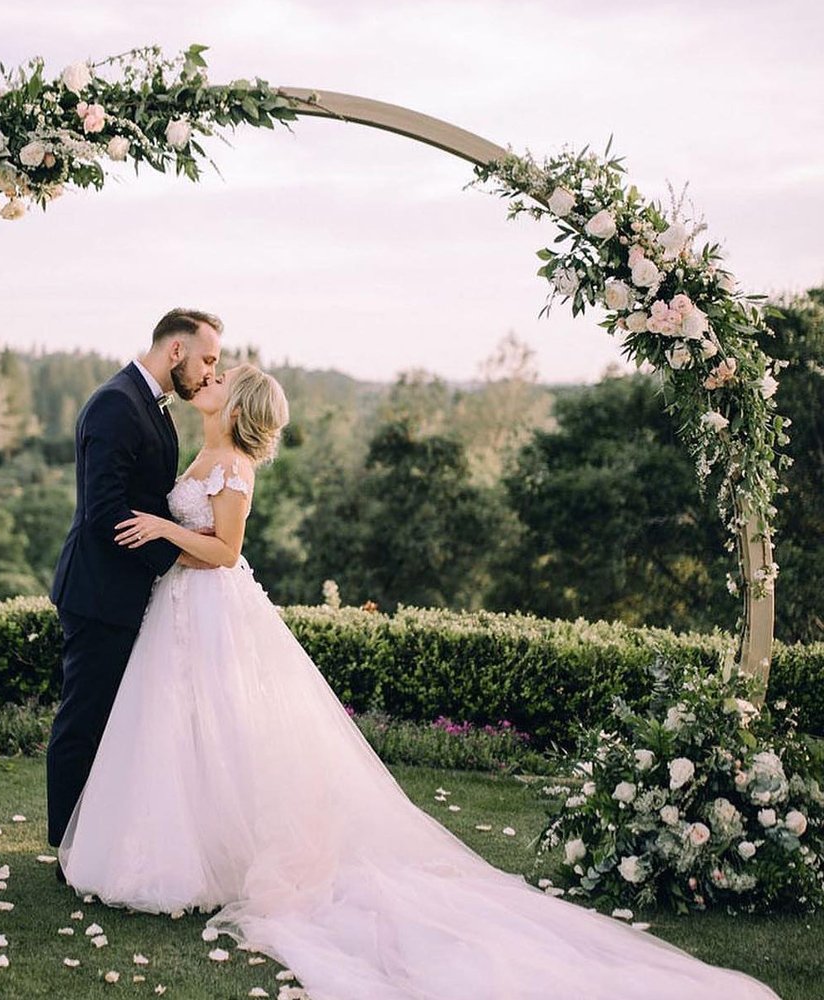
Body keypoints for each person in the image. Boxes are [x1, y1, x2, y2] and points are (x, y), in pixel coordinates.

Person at [56, 363, 781, 1000]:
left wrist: (161, 529)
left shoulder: (234, 471)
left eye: (219, 378)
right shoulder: (199, 450)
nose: (206, 380)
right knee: (184, 734)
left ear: (236, 403)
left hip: (212, 607)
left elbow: (224, 550)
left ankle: (221, 858)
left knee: (223, 730)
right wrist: (161, 527)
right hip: (179, 613)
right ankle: (184, 849)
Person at [45, 307, 221, 866]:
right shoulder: (117, 405)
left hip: (126, 592)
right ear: (176, 351)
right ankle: (67, 845)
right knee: (85, 720)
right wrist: (179, 557)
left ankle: (99, 840)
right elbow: (107, 514)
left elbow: (154, 501)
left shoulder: (153, 407)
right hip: (99, 594)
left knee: (118, 723)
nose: (210, 371)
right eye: (207, 359)